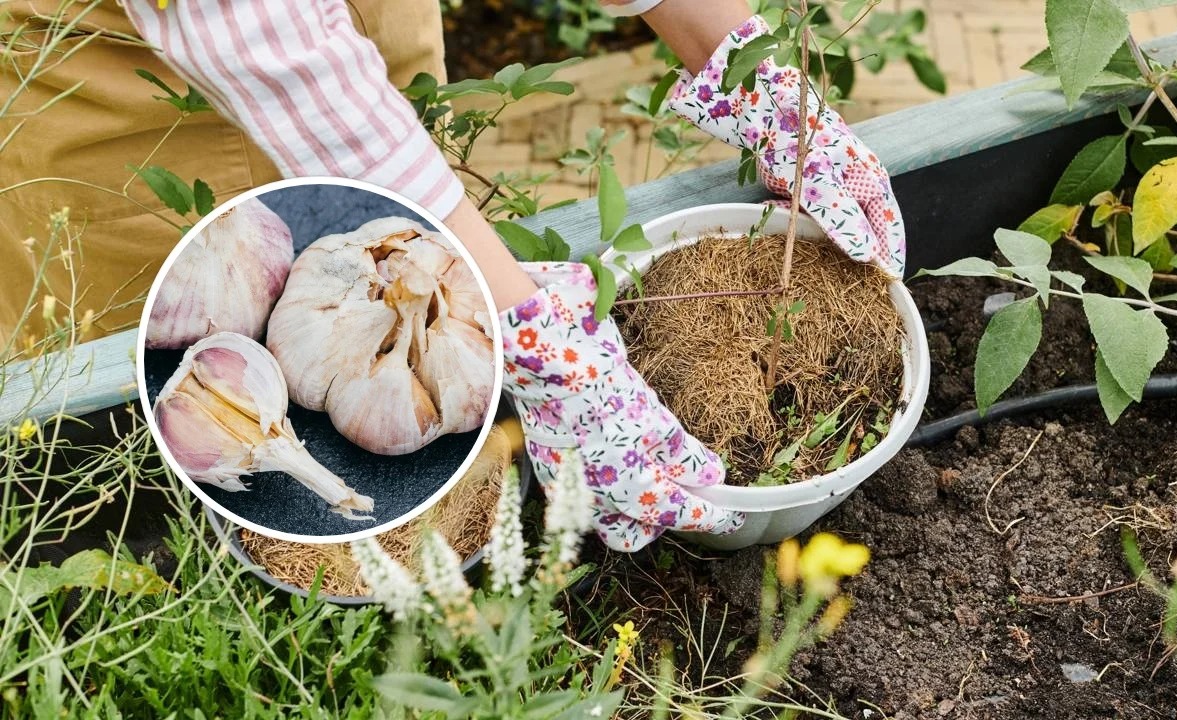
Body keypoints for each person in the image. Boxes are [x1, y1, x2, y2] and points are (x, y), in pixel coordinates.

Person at [0, 0, 904, 551]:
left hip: (355, 61)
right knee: (139, 455)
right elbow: (249, 26)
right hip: (136, 90)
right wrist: (536, 336)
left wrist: (743, 64)